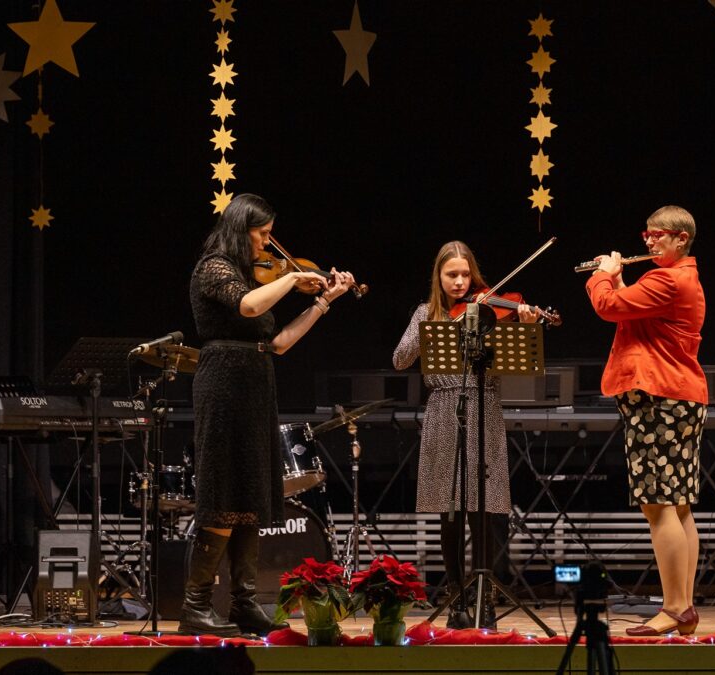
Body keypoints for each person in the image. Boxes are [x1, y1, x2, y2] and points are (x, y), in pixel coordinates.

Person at [182, 193, 357, 636]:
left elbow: (278, 343)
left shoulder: (252, 275)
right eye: (262, 234)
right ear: (240, 230)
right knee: (223, 493)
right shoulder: (214, 269)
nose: (266, 244)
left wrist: (323, 301)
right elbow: (249, 306)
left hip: (256, 383)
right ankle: (195, 606)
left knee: (251, 497)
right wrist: (295, 274)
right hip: (223, 382)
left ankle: (244, 602)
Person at [392, 241, 537, 629]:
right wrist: (431, 329)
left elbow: (520, 360)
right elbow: (400, 358)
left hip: (484, 407)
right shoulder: (427, 312)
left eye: (464, 274)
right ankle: (455, 593)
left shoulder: (490, 311)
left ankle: (484, 596)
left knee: (483, 510)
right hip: (443, 410)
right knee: (450, 509)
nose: (459, 282)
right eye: (451, 275)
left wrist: (524, 324)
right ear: (438, 278)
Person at [584, 205, 707, 636]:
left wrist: (603, 273)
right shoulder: (678, 279)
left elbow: (606, 306)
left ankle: (674, 608)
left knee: (657, 505)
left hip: (659, 397)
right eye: (647, 234)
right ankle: (685, 607)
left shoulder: (668, 279)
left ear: (681, 239)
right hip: (679, 396)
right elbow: (630, 310)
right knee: (678, 505)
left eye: (659, 235)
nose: (650, 241)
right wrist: (620, 280)